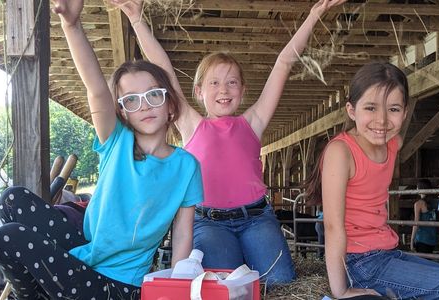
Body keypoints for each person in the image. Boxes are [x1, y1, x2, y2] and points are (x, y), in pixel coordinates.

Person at [112, 0, 346, 286]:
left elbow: (284, 62)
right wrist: (137, 20)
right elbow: (164, 68)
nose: (223, 89)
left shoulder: (253, 122)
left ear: (243, 90)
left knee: (280, 281)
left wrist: (313, 15)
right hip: (209, 222)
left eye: (232, 82)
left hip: (257, 219)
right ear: (198, 91)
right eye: (214, 83)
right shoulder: (189, 122)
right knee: (225, 285)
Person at [0, 0, 204, 298]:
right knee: (12, 200)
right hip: (85, 253)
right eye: (131, 100)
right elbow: (96, 88)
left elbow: (184, 231)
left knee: (10, 237)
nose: (144, 105)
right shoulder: (116, 141)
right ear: (122, 113)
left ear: (170, 105)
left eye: (153, 95)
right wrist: (72, 25)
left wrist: (180, 289)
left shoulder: (186, 166)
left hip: (120, 286)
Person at [304, 62, 439, 299]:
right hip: (359, 262)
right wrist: (340, 290)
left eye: (393, 109)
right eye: (371, 108)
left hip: (388, 254)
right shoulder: (340, 152)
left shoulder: (394, 144)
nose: (382, 120)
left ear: (405, 113)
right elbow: (333, 226)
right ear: (352, 110)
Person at [410, 179, 437, 253]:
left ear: (421, 189)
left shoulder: (419, 204)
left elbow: (416, 223)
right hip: (432, 239)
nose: (416, 189)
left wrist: (412, 240)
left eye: (417, 187)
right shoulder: (434, 202)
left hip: (422, 239)